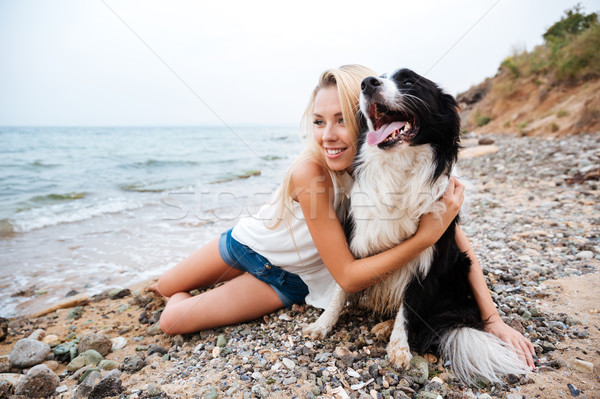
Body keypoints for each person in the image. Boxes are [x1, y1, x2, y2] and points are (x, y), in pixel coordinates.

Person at [149, 65, 535, 369]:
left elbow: (455, 246)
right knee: (166, 286)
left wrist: (492, 318)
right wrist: (422, 238)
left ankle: (210, 293)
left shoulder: (387, 168)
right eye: (319, 121)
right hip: (245, 243)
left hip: (288, 280)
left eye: (341, 120)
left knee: (172, 320)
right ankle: (198, 285)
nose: (328, 135)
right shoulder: (311, 173)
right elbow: (366, 268)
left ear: (374, 119)